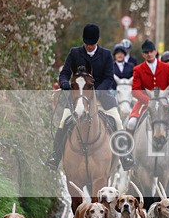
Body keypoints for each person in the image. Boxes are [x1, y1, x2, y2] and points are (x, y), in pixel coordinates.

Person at [47, 23, 135, 170]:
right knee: (63, 121)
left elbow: (108, 78)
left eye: (92, 44)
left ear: (98, 41)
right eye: (86, 43)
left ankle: (125, 156)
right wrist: (64, 83)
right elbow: (65, 73)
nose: (89, 46)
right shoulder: (75, 53)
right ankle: (55, 155)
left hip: (101, 99)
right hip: (78, 98)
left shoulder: (106, 55)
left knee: (118, 121)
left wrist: (97, 92)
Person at [125, 40, 169, 138]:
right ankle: (127, 150)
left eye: (151, 51)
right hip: (144, 103)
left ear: (155, 52)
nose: (149, 54)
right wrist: (149, 101)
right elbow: (135, 91)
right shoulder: (138, 69)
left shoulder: (166, 67)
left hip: (164, 102)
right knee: (131, 123)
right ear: (143, 54)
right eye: (146, 52)